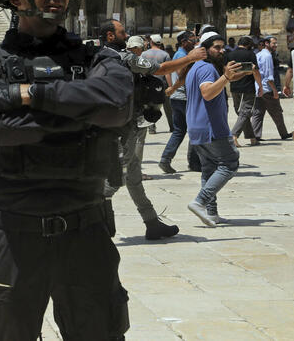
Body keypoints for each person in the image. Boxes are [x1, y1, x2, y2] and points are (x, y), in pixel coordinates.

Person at [0, 0, 133, 339]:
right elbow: (1, 128)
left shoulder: (97, 59)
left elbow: (116, 105)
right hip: (16, 240)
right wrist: (80, 112)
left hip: (86, 232)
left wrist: (31, 95)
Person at [100, 24, 199, 240]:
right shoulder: (122, 58)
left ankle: (152, 223)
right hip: (122, 126)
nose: (126, 36)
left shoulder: (100, 55)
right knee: (115, 179)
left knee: (134, 177)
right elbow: (160, 69)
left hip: (119, 122)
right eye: (122, 33)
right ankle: (95, 221)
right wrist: (190, 58)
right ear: (109, 35)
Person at [185, 32, 246, 226]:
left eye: (222, 47)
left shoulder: (195, 68)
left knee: (209, 169)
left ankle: (211, 213)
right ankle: (200, 201)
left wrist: (233, 76)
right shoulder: (206, 68)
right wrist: (226, 77)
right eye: (216, 47)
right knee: (230, 162)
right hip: (211, 127)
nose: (221, 51)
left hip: (197, 127)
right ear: (205, 49)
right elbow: (208, 93)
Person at [159, 31, 202, 173]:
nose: (195, 42)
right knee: (194, 129)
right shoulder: (183, 56)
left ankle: (166, 159)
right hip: (184, 98)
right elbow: (182, 75)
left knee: (179, 130)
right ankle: (194, 162)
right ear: (184, 42)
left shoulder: (181, 55)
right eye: (192, 39)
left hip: (177, 98)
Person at [251, 36, 290, 141]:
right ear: (267, 44)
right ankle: (284, 133)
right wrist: (274, 90)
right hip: (267, 89)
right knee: (276, 111)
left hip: (259, 88)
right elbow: (268, 76)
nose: (276, 45)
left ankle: (255, 136)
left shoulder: (258, 54)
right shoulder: (267, 56)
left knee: (258, 113)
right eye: (274, 43)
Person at [226, 36, 262, 146]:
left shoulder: (230, 55)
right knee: (245, 112)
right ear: (249, 45)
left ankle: (252, 137)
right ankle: (234, 135)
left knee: (240, 112)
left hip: (234, 86)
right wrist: (260, 85)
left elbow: (226, 70)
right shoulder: (250, 54)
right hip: (248, 87)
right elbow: (255, 71)